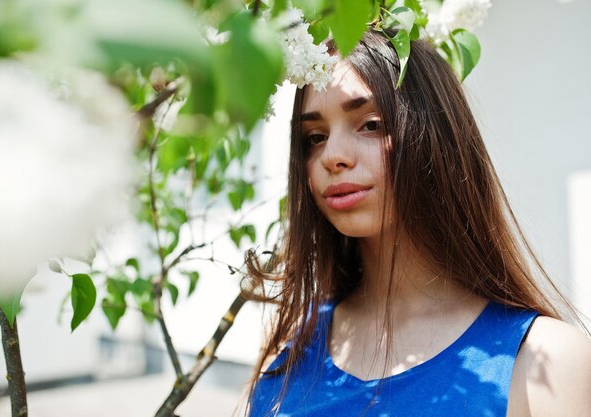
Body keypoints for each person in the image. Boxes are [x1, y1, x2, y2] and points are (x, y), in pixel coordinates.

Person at [243, 29, 591, 417]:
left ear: (436, 138)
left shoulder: (545, 363)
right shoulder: (289, 334)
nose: (332, 156)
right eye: (315, 136)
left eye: (371, 124)